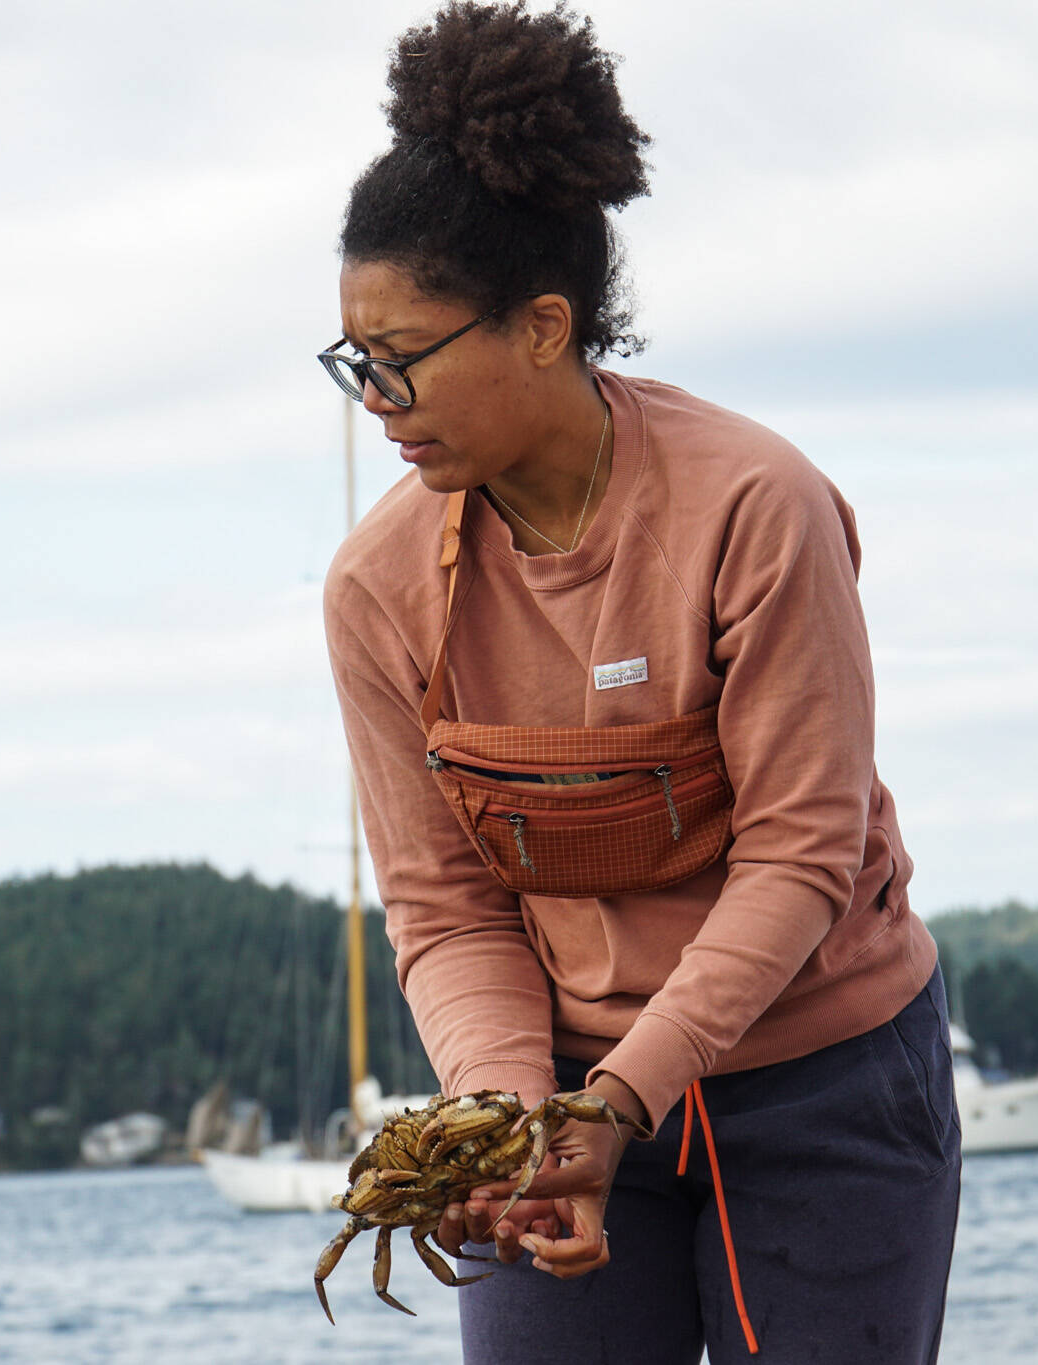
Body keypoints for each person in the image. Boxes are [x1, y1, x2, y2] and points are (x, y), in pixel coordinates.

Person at [318, 5, 960, 1361]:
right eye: (352, 360)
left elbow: (800, 854)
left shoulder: (755, 506)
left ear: (542, 326)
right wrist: (516, 1121)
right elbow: (446, 913)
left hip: (825, 1081)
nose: (373, 397)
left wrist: (621, 1104)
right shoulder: (376, 591)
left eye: (402, 356)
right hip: (558, 1088)